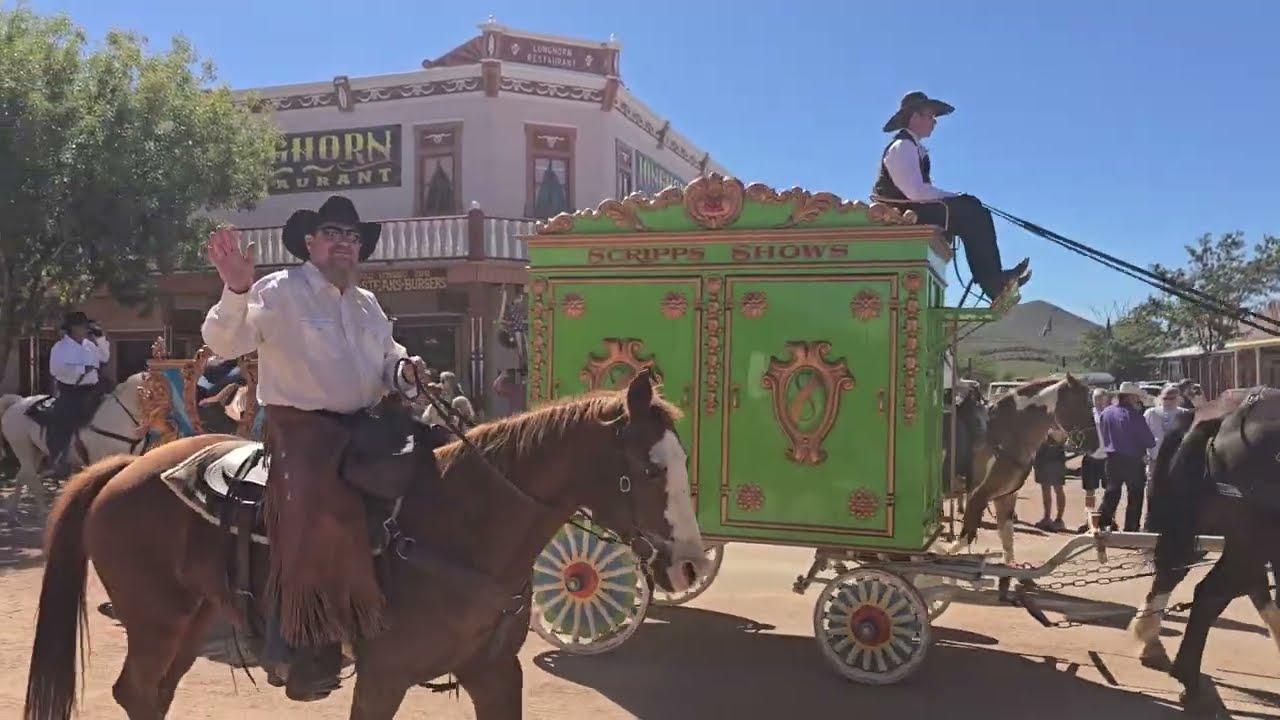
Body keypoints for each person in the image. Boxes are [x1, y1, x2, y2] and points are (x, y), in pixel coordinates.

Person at [202, 194, 429, 701]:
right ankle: (302, 643)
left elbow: (387, 358)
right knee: (321, 511)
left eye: (351, 236)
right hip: (301, 434)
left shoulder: (367, 303)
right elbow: (225, 342)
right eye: (332, 233)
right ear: (310, 242)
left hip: (366, 426)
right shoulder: (277, 292)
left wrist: (405, 372)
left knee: (433, 474)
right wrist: (236, 286)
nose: (343, 244)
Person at [872, 91, 1031, 302]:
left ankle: (992, 279)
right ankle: (992, 281)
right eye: (930, 117)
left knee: (975, 212)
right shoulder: (902, 147)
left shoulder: (913, 147)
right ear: (914, 117)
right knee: (973, 213)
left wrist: (959, 199)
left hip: (912, 210)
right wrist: (957, 198)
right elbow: (916, 192)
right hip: (902, 215)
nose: (934, 122)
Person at [45, 311, 110, 478]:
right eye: (81, 326)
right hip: (71, 392)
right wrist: (82, 369)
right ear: (72, 328)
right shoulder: (60, 348)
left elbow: (105, 357)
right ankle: (59, 459)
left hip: (93, 389)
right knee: (65, 420)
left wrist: (101, 338)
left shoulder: (90, 345)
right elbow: (56, 369)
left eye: (86, 326)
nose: (85, 329)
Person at [1096, 381, 1157, 532]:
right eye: (1136, 397)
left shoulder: (1106, 413)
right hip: (1133, 460)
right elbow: (1149, 441)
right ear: (1130, 397)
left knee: (1111, 493)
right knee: (1135, 495)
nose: (1138, 400)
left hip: (1112, 458)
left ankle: (1102, 524)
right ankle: (1131, 528)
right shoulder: (1135, 416)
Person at [1077, 388, 1111, 533]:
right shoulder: (1087, 415)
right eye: (1096, 398)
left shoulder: (1111, 413)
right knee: (1089, 491)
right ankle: (1089, 520)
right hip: (1091, 456)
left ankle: (1108, 520)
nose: (1098, 401)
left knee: (1109, 491)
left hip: (1108, 457)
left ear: (1106, 399)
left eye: (1101, 398)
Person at [1032, 429, 1069, 532]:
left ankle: (1059, 520)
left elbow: (1063, 436)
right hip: (1043, 455)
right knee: (1045, 487)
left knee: (1058, 488)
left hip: (1056, 456)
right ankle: (1047, 517)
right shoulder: (1042, 417)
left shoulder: (1060, 419)